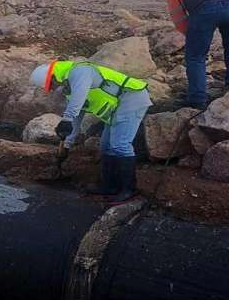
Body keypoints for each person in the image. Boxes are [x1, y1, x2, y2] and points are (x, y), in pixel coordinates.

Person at [30, 59, 151, 203]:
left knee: (120, 145)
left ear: (54, 76)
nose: (53, 88)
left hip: (131, 98)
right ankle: (109, 186)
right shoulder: (70, 88)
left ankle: (128, 189)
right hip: (116, 108)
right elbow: (75, 119)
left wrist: (66, 119)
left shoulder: (80, 71)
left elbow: (78, 98)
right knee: (106, 147)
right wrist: (67, 145)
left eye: (51, 85)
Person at [166, 0, 229, 109]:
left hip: (205, 8)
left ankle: (197, 99)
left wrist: (196, 40)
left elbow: (180, 22)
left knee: (195, 57)